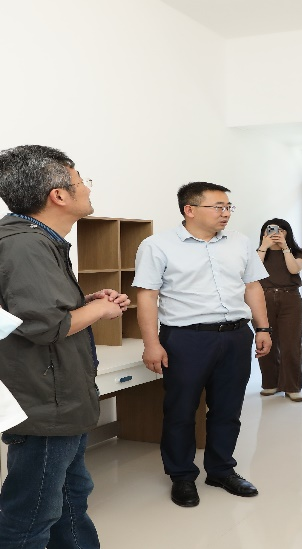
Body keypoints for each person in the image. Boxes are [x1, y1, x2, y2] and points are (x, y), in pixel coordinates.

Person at [0, 145, 130, 548]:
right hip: (46, 403)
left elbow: (34, 310)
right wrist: (101, 310)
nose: (87, 188)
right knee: (31, 515)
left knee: (72, 496)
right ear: (58, 195)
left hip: (60, 396)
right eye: (80, 181)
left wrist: (86, 304)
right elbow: (46, 324)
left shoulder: (37, 239)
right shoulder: (25, 245)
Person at [133, 181, 272, 507]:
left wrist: (263, 327)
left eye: (228, 207)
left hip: (236, 336)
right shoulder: (157, 245)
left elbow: (252, 287)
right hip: (186, 338)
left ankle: (221, 470)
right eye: (218, 207)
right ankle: (182, 476)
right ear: (190, 209)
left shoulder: (240, 242)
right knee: (181, 411)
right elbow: (147, 296)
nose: (226, 213)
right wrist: (151, 344)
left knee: (228, 409)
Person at [256, 219, 302, 402]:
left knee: (291, 345)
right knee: (266, 342)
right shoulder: (259, 252)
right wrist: (264, 246)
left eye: (281, 230)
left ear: (288, 233)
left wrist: (285, 248)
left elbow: (294, 269)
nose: (276, 233)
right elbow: (252, 270)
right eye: (271, 230)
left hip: (290, 299)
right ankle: (270, 383)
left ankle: (292, 387)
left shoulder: (297, 252)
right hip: (263, 299)